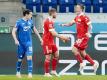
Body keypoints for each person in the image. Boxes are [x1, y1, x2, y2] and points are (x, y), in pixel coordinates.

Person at [60, 4, 99, 74]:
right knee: (83, 53)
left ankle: (82, 63)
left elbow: (90, 26)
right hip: (80, 37)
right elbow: (71, 23)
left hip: (83, 37)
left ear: (81, 9)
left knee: (74, 49)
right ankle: (94, 63)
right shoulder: (77, 17)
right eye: (76, 8)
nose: (75, 9)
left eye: (77, 8)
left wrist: (88, 32)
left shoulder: (85, 17)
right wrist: (63, 25)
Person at [12, 9, 42, 78]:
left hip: (28, 43)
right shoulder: (19, 22)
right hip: (21, 44)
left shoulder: (30, 22)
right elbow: (13, 31)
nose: (31, 16)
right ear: (26, 14)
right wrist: (15, 40)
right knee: (20, 58)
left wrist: (40, 38)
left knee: (29, 57)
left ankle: (30, 73)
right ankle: (18, 72)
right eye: (30, 14)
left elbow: (35, 30)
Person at [42, 8, 69, 77]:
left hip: (51, 41)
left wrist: (61, 39)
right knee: (48, 57)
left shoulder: (51, 21)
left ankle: (53, 71)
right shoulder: (48, 21)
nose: (56, 14)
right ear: (53, 13)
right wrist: (63, 37)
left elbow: (54, 32)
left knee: (56, 55)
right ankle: (46, 73)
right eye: (56, 13)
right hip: (47, 41)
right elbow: (53, 33)